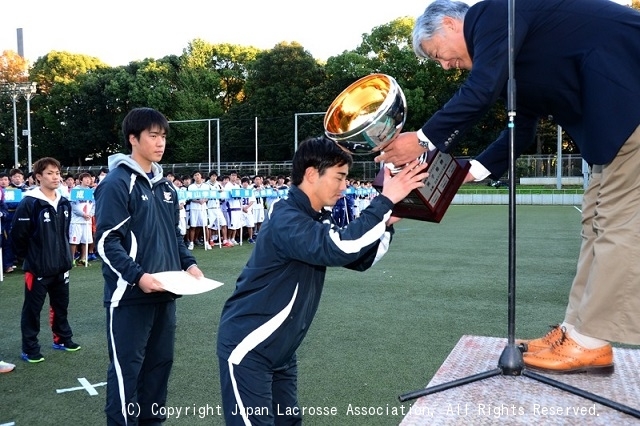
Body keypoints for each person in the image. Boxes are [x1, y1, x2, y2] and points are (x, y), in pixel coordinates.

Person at [376, 0, 640, 374]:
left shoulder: (494, 13)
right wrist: (462, 175)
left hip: (630, 95)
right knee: (595, 220)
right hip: (617, 113)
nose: (446, 66)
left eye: (440, 55)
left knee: (616, 224)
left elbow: (479, 91)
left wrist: (421, 139)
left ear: (452, 24)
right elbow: (523, 130)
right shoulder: (509, 56)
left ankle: (590, 342)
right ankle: (577, 332)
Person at [217, 136, 428, 425]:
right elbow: (340, 247)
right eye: (339, 177)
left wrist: (387, 225)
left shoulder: (314, 217)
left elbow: (359, 259)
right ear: (312, 174)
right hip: (249, 349)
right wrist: (385, 201)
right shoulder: (286, 217)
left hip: (280, 351)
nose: (345, 187)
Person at [94, 107, 204, 425]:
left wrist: (190, 265)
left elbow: (175, 238)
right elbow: (106, 242)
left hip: (166, 293)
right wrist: (137, 276)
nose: (160, 142)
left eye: (163, 136)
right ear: (133, 139)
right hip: (129, 297)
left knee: (158, 370)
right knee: (126, 372)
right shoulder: (117, 183)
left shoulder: (166, 187)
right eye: (153, 136)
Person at [10, 157, 80, 363]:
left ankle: (62, 339)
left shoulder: (64, 202)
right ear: (38, 177)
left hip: (61, 266)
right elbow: (17, 236)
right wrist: (31, 258)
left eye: (57, 172)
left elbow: (64, 234)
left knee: (61, 306)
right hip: (38, 268)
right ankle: (30, 348)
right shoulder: (29, 203)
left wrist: (65, 257)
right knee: (32, 310)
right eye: (50, 173)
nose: (55, 176)